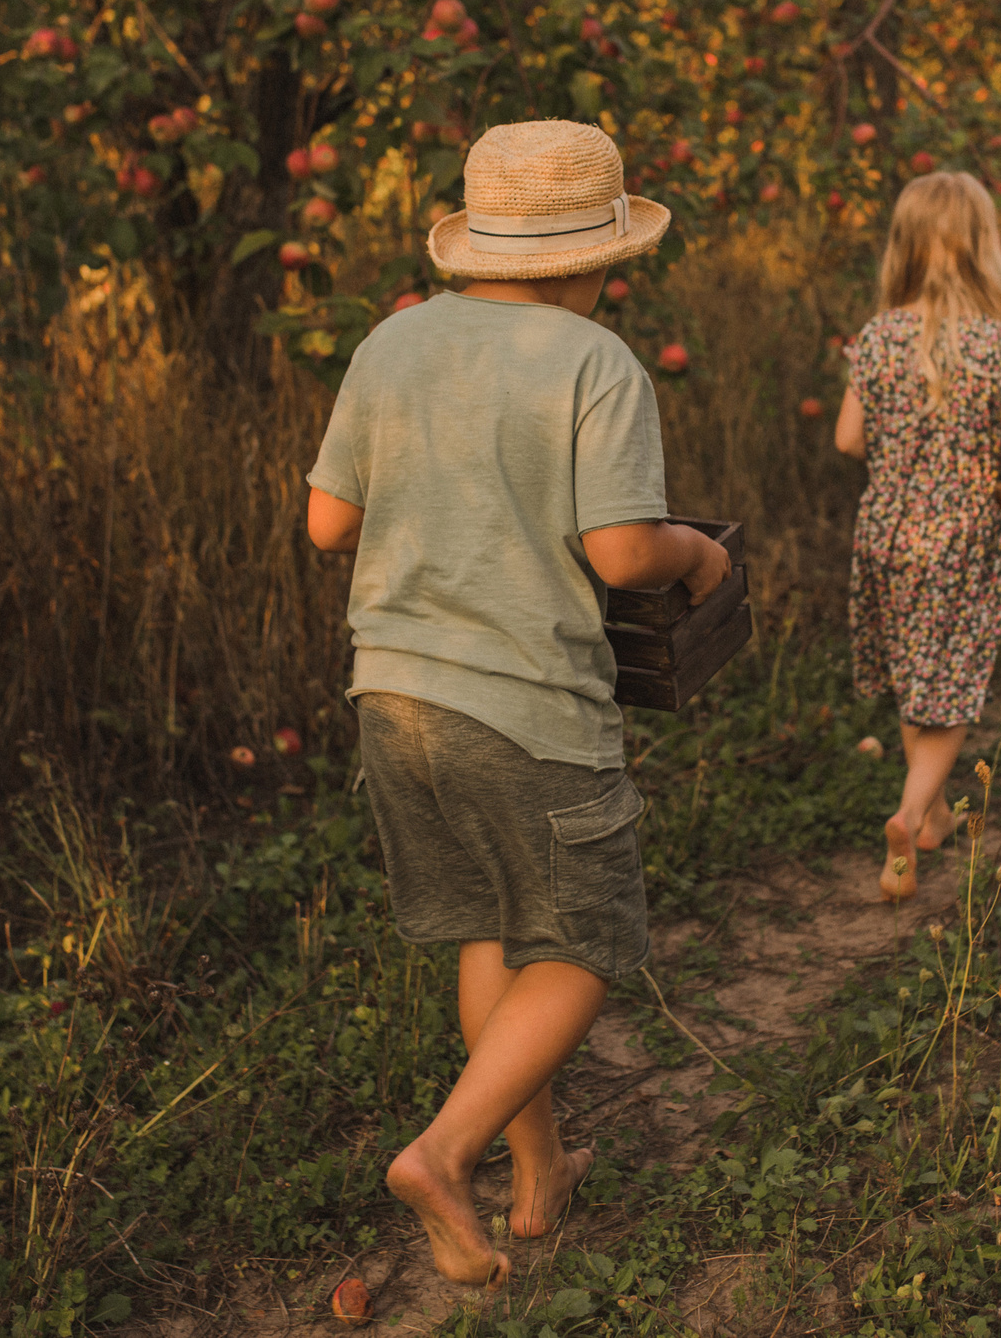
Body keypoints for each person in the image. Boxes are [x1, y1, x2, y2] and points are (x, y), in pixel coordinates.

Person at [304, 120, 731, 1287]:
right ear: (601, 260)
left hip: (390, 696)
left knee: (496, 930)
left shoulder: (393, 344)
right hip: (525, 708)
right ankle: (443, 1153)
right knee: (586, 943)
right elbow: (618, 551)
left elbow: (326, 524)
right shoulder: (596, 364)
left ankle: (537, 1175)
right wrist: (694, 553)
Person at [834, 171, 1001, 903]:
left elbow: (845, 439)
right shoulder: (997, 341)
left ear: (904, 246)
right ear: (982, 247)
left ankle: (928, 817)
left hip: (884, 528)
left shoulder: (875, 336)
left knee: (913, 668)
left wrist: (902, 465)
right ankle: (906, 811)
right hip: (962, 530)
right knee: (954, 681)